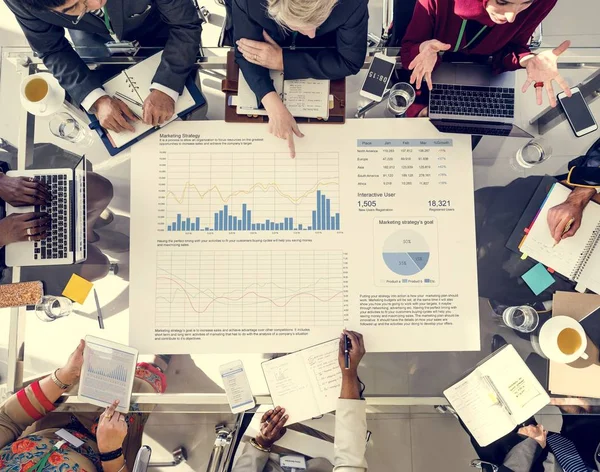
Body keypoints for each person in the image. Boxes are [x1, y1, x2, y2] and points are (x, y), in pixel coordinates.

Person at [4, 0, 202, 133]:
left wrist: (165, 87)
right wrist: (96, 99)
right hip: (91, 34)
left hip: (157, 24)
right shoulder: (20, 2)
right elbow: (51, 49)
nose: (97, 2)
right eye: (73, 6)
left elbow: (184, 25)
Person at [0, 340, 168, 471]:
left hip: (56, 419)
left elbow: (7, 419)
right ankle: (159, 363)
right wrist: (111, 450)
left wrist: (63, 377)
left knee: (96, 373)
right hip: (106, 449)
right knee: (142, 389)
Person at [233, 0, 368, 157]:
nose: (311, 34)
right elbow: (246, 51)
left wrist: (283, 61)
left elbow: (350, 61)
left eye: (317, 23)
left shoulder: (351, 3)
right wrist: (273, 105)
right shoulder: (249, 3)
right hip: (274, 39)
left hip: (324, 46)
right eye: (298, 26)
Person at [400, 0, 571, 117]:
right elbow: (410, 48)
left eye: (526, 3)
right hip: (426, 78)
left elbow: (513, 46)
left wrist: (526, 59)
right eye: (502, 2)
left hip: (480, 77)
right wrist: (423, 49)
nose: (511, 16)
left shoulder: (540, 3)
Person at [232, 330, 368, 472]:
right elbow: (350, 460)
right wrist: (349, 371)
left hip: (270, 443)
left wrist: (262, 442)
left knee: (274, 350)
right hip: (327, 447)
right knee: (329, 345)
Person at [0, 157, 115, 284]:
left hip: (14, 192)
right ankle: (86, 233)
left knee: (101, 187)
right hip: (7, 253)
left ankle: (87, 230)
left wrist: (1, 180)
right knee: (100, 268)